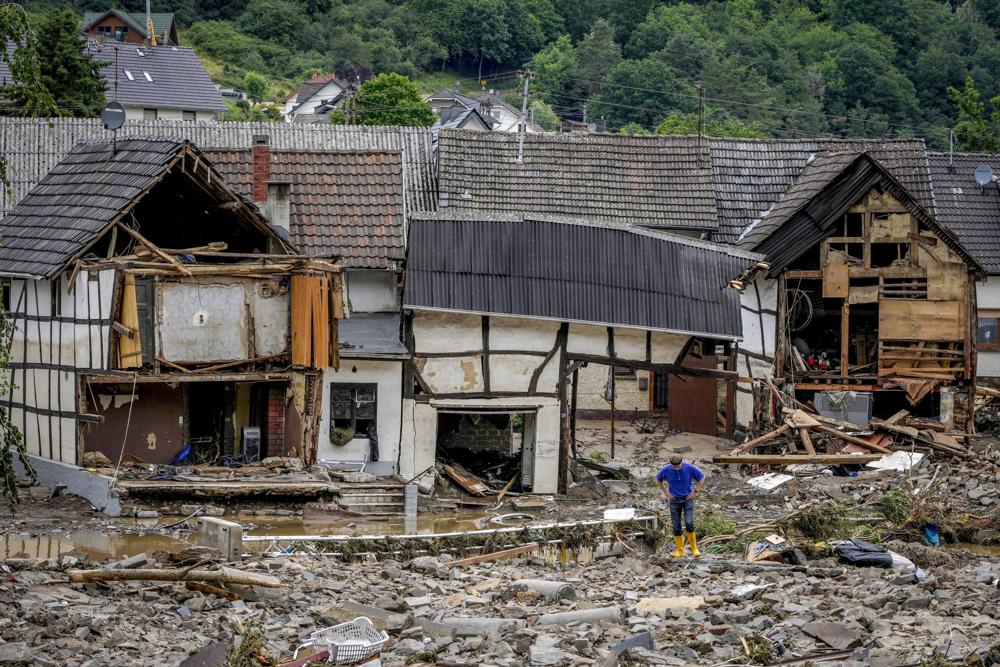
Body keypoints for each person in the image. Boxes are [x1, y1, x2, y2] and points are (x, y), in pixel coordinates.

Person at [655, 455, 706, 558]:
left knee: (689, 522)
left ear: (682, 462)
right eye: (675, 466)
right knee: (676, 525)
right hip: (674, 500)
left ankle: (694, 549)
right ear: (671, 464)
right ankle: (680, 551)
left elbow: (702, 477)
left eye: (678, 466)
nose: (677, 468)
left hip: (688, 499)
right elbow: (658, 479)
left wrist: (695, 491)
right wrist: (665, 492)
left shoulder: (689, 468)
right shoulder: (666, 469)